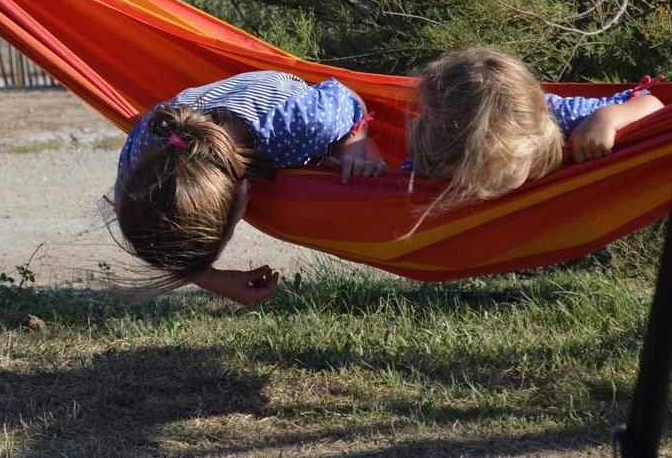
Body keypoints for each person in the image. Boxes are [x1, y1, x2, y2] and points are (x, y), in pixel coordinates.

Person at [111, 71, 385, 306]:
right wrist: (210, 278)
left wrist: (351, 153)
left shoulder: (297, 126)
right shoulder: (144, 154)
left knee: (365, 175)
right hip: (215, 120)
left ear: (243, 192)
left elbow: (350, 100)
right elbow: (149, 229)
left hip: (281, 105)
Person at [407, 47, 664, 212]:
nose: (484, 190)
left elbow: (655, 105)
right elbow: (391, 195)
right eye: (472, 178)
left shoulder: (570, 117)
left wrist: (606, 119)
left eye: (495, 177)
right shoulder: (438, 147)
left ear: (535, 138)